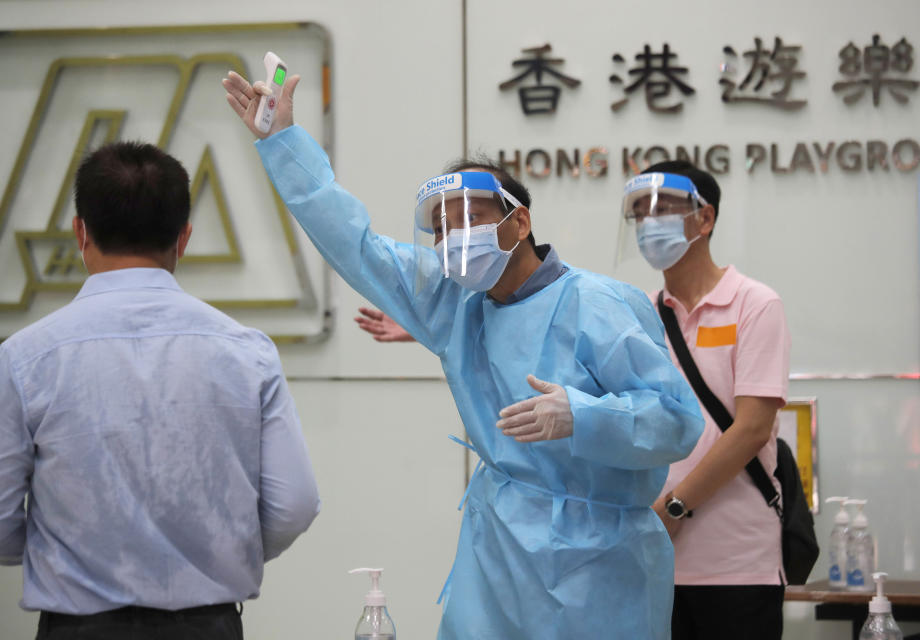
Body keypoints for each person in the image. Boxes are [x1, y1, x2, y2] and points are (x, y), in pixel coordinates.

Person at [222, 69, 703, 639]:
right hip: (496, 556)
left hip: (599, 569)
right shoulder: (456, 304)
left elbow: (677, 423)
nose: (455, 238)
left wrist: (583, 415)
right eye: (443, 227)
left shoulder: (599, 305)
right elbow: (356, 245)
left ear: (519, 220)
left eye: (470, 218)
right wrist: (283, 140)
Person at [0, 141, 320, 640]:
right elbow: (294, 504)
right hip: (208, 626)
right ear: (184, 236)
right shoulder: (247, 353)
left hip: (76, 628)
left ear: (79, 232)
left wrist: (65, 553)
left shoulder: (27, 358)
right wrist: (219, 549)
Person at [625, 161, 790, 640]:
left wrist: (675, 508)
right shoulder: (640, 314)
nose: (649, 222)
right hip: (652, 563)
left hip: (735, 567)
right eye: (640, 213)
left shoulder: (755, 304)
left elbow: (752, 428)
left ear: (705, 218)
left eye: (663, 209)